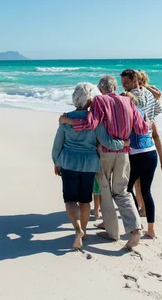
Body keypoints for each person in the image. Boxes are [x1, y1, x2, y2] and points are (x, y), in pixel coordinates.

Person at [59, 75, 149, 249]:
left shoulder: (100, 101)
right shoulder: (128, 102)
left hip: (105, 152)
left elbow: (91, 124)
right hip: (123, 152)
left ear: (100, 89)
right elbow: (142, 128)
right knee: (122, 192)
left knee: (105, 192)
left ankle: (112, 232)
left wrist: (68, 121)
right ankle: (136, 229)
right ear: (115, 87)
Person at [52, 82, 127, 249]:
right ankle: (84, 231)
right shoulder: (95, 120)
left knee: (70, 199)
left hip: (68, 162)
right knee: (85, 200)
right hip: (89, 163)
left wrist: (56, 162)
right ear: (90, 100)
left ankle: (77, 229)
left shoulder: (65, 119)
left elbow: (58, 144)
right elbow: (106, 141)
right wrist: (124, 143)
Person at [121, 91, 159, 239]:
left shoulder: (125, 115)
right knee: (146, 191)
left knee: (128, 189)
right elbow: (148, 127)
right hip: (151, 152)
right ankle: (151, 229)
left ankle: (137, 223)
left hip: (137, 154)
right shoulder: (142, 111)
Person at [137, 70, 162, 170]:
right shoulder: (138, 90)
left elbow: (158, 95)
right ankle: (160, 161)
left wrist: (146, 86)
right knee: (154, 136)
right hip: (147, 114)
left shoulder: (149, 88)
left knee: (156, 136)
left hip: (151, 114)